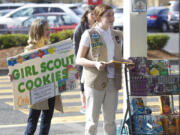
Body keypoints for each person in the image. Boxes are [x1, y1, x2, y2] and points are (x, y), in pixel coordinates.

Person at [75, 4, 133, 135]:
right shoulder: (89, 34)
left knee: (110, 121)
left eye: (113, 14)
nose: (112, 18)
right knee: (92, 121)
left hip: (113, 81)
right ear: (98, 17)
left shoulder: (117, 35)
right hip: (95, 81)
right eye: (108, 15)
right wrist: (95, 64)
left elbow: (116, 57)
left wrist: (126, 62)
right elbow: (78, 59)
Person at [23, 19, 63, 135]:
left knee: (46, 121)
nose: (49, 32)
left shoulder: (50, 47)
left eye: (49, 29)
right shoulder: (30, 49)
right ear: (38, 31)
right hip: (36, 90)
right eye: (46, 29)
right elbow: (24, 72)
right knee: (33, 121)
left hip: (50, 88)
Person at [73, 5, 96, 114]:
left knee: (92, 82)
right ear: (86, 15)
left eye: (95, 14)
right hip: (82, 60)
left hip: (94, 60)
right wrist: (77, 61)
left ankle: (92, 104)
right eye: (92, 14)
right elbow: (76, 46)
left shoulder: (98, 26)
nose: (94, 16)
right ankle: (84, 104)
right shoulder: (80, 28)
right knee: (83, 83)